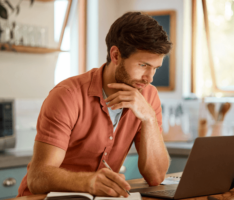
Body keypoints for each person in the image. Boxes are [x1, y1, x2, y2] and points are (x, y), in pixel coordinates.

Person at [17, 11, 172, 197]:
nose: (149, 78)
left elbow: (155, 177)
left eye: (155, 68)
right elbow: (37, 178)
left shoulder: (148, 96)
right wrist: (87, 182)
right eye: (143, 65)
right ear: (115, 55)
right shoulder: (67, 95)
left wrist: (149, 117)